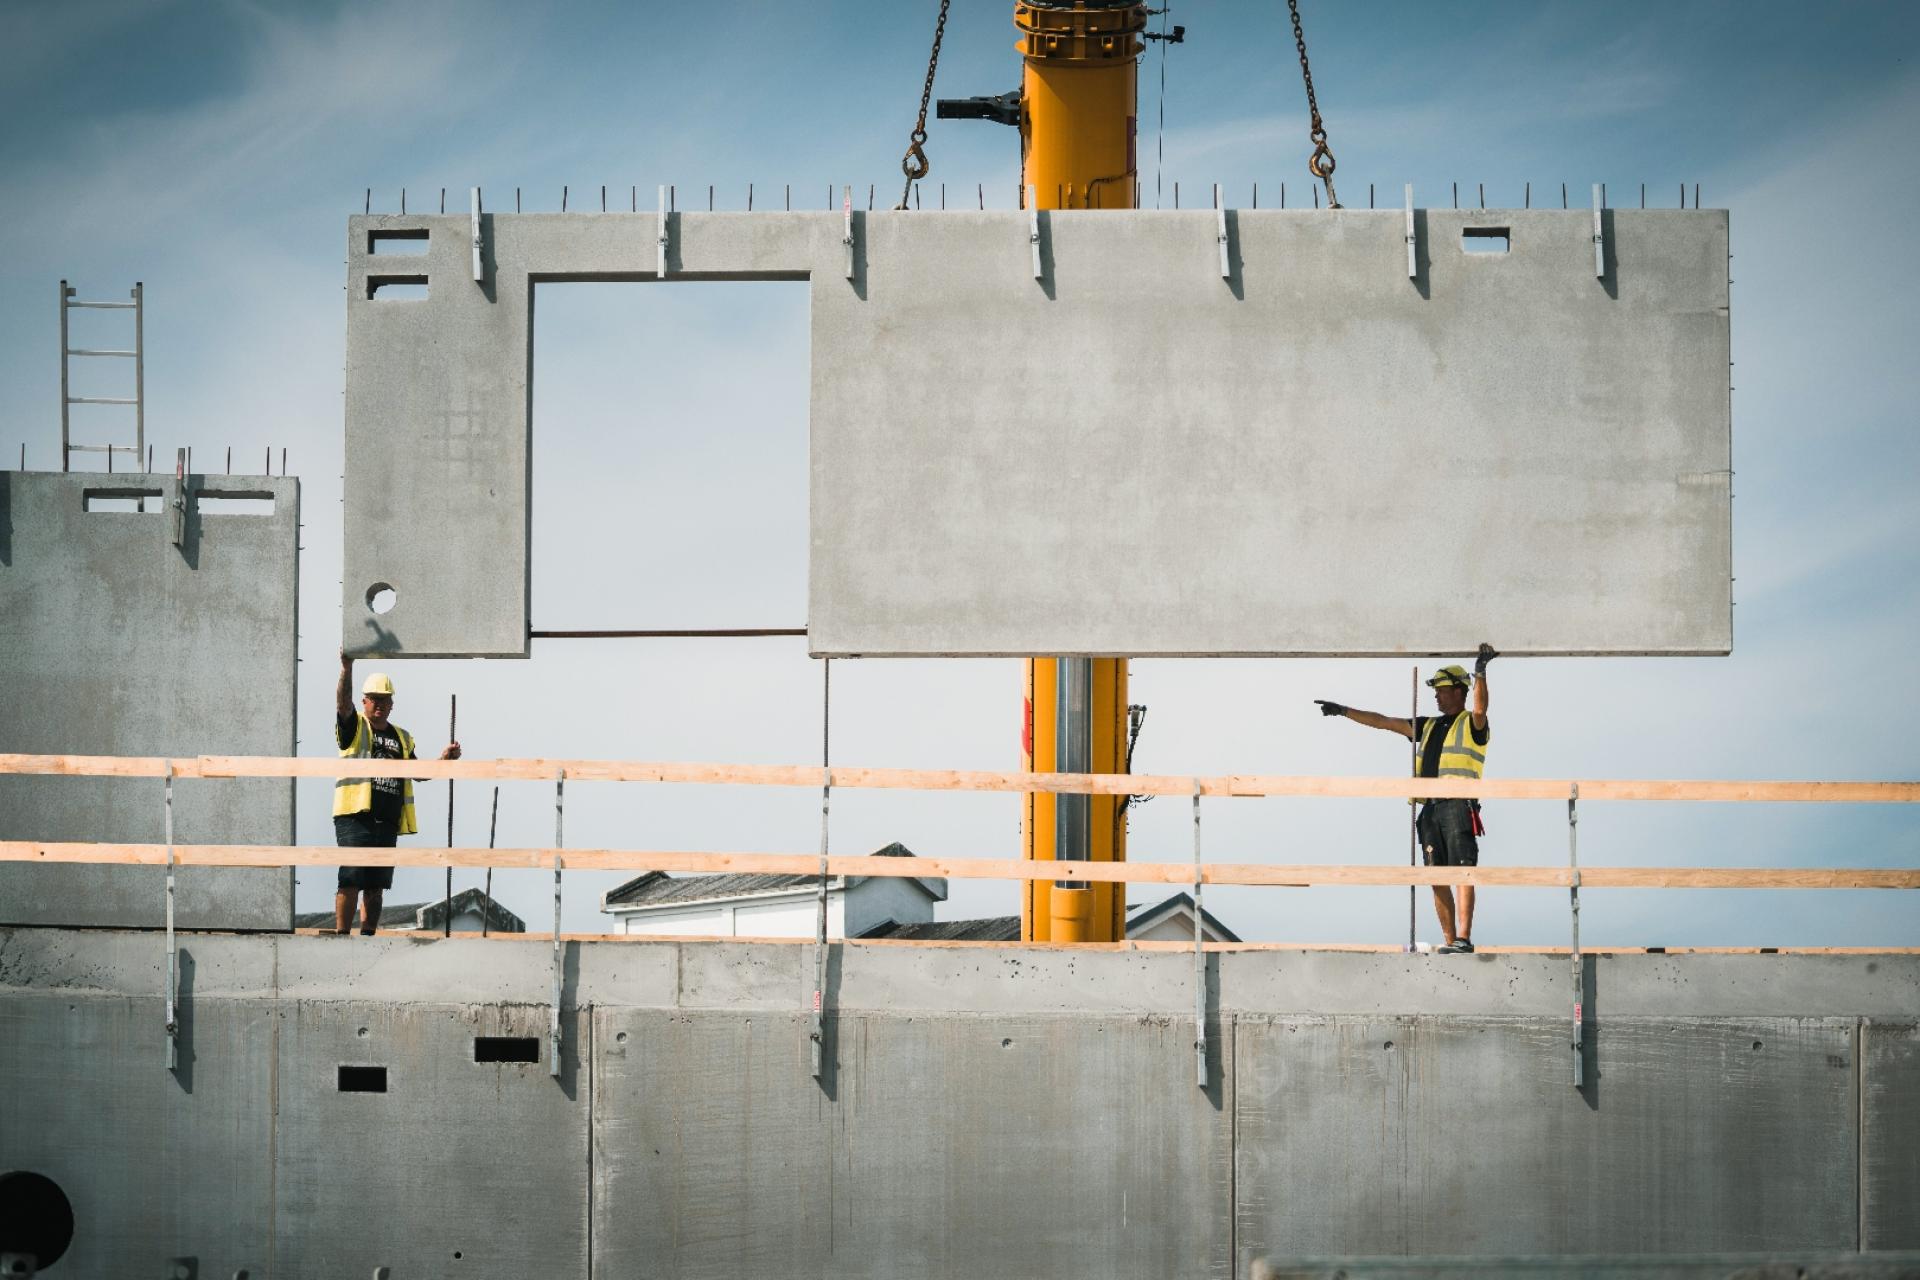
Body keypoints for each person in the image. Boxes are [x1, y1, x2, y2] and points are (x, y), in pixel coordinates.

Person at [1314, 643, 1496, 954]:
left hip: (1457, 805)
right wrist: (1344, 711)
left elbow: (1480, 710)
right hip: (1430, 810)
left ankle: (1464, 939)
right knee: (1436, 876)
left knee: (1464, 870)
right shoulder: (1426, 725)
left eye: (1441, 689)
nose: (1436, 695)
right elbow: (1383, 721)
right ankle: (1451, 942)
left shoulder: (1472, 724)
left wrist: (1479, 672)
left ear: (1458, 691)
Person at [332, 649, 461, 935]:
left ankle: (367, 936)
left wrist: (443, 761)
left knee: (377, 886)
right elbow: (342, 704)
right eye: (374, 699)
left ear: (392, 705)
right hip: (355, 815)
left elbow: (417, 772)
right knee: (351, 878)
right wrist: (346, 668)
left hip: (386, 820)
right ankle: (341, 937)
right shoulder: (355, 727)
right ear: (364, 702)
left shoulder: (401, 737)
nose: (379, 704)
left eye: (384, 699)